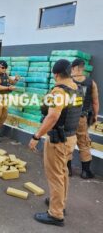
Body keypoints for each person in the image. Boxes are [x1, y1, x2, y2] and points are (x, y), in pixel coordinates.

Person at [28, 59, 83, 227]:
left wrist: (36, 136)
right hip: (70, 137)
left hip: (58, 140)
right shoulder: (77, 88)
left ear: (56, 74)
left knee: (55, 175)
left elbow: (52, 116)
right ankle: (59, 202)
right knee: (63, 172)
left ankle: (56, 214)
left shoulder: (58, 92)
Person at [68, 58, 99, 179]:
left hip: (68, 118)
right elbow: (95, 102)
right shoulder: (91, 82)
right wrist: (95, 115)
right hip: (82, 118)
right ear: (83, 68)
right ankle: (86, 172)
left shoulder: (67, 81)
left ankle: (68, 170)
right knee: (84, 143)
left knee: (68, 142)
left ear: (73, 68)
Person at [0, 60, 19, 142]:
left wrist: (15, 80)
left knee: (4, 115)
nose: (0, 68)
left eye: (3, 68)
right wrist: (8, 88)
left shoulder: (6, 74)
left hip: (4, 97)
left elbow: (11, 82)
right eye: (0, 67)